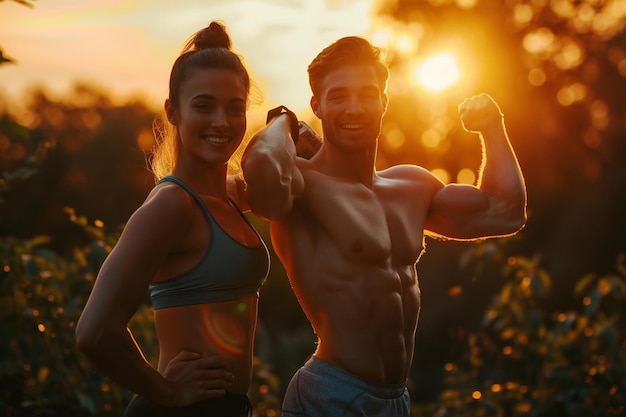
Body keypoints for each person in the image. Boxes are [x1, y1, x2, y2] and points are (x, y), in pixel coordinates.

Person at [241, 36, 527, 416]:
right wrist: (282, 120)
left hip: (395, 400)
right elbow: (261, 171)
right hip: (332, 394)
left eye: (367, 94)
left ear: (384, 102)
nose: (354, 108)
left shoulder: (411, 186)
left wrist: (493, 126)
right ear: (318, 106)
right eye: (338, 96)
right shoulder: (303, 185)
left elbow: (506, 211)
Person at [75, 21, 269, 417]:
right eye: (203, 106)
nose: (221, 122)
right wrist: (165, 392)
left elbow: (285, 178)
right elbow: (94, 332)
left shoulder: (229, 195)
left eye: (235, 108)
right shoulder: (173, 206)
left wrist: (287, 126)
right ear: (173, 112)